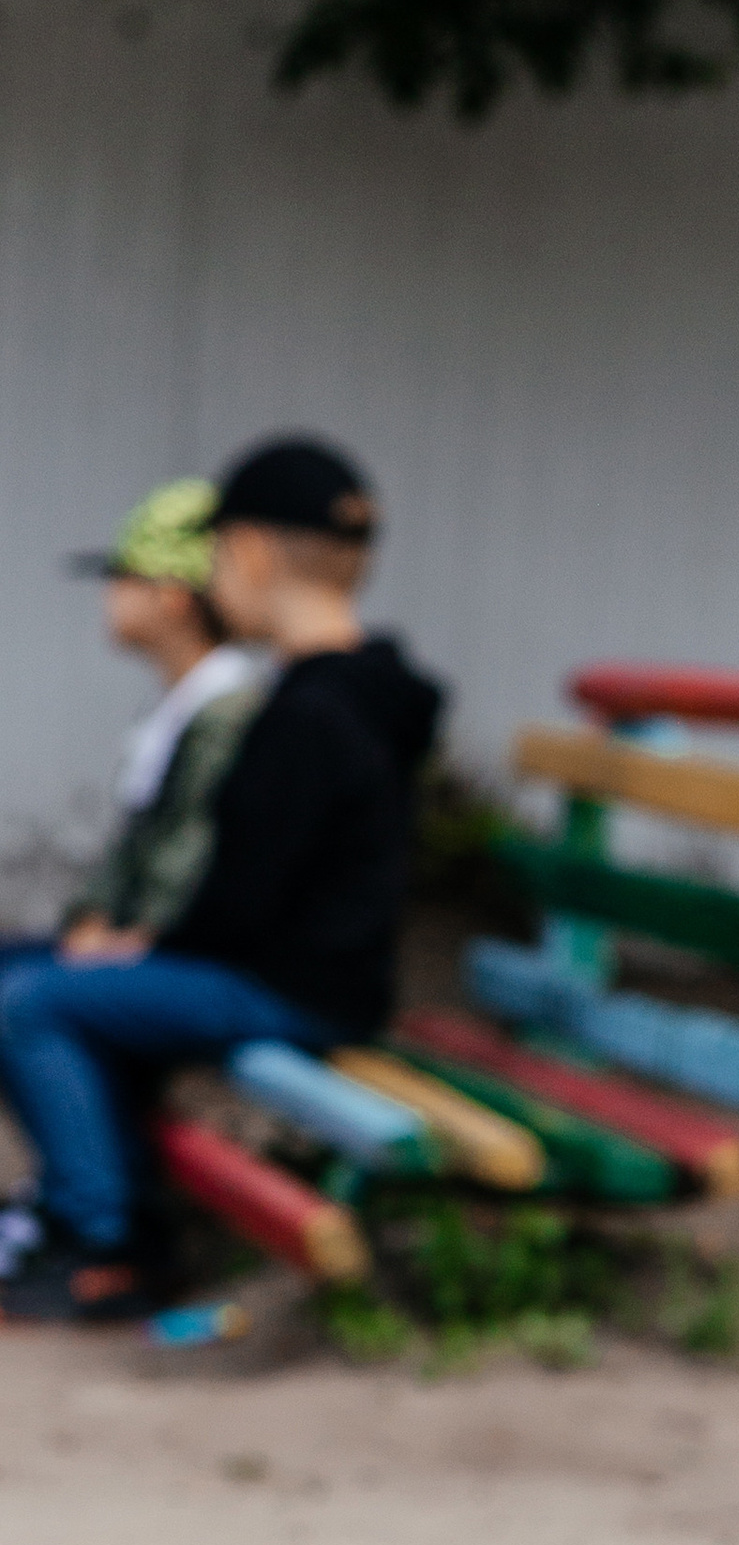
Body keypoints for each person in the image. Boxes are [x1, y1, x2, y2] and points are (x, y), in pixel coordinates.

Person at [0, 434, 442, 1319]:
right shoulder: (367, 690)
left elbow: (244, 895)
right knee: (42, 978)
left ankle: (106, 1240)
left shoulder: (310, 710)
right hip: (305, 975)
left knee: (32, 1001)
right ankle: (86, 1208)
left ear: (241, 552)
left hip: (292, 990)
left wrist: (145, 945)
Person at [52, 479, 266, 961]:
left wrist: (133, 937)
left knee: (23, 1001)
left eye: (121, 577)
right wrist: (90, 918)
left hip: (168, 952)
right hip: (139, 940)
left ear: (171, 595)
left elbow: (190, 847)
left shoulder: (226, 710)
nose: (108, 594)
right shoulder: (182, 702)